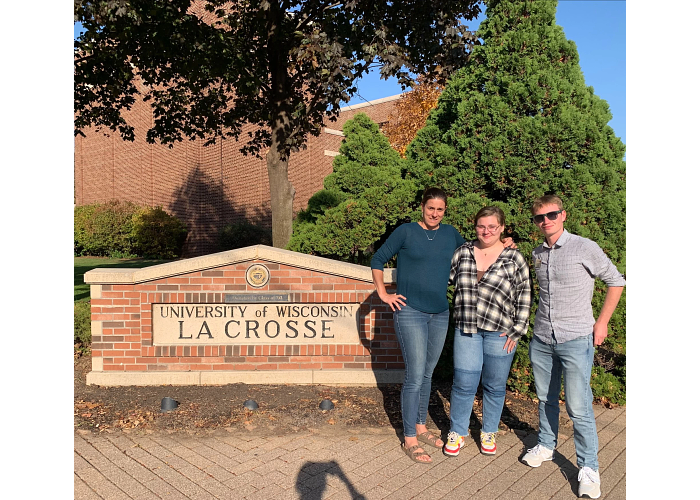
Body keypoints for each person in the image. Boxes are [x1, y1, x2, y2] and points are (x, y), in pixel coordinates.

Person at [521, 195, 625, 500]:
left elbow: (615, 281)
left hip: (576, 338)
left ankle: (589, 468)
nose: (546, 221)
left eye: (551, 215)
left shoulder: (584, 247)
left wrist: (602, 322)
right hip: (542, 337)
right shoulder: (537, 252)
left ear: (563, 215)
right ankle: (546, 445)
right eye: (539, 218)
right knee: (544, 398)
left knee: (578, 407)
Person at [370, 187, 466, 464]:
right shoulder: (406, 231)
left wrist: (502, 244)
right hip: (409, 311)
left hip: (440, 313)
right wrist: (383, 294)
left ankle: (422, 426)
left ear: (445, 210)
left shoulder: (450, 234)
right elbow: (377, 259)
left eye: (440, 209)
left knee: (427, 373)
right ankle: (409, 438)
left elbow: (475, 253)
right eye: (430, 208)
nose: (435, 213)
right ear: (422, 207)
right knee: (414, 375)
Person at [442, 206, 532, 458]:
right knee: (463, 384)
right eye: (482, 226)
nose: (487, 231)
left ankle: (489, 431)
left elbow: (524, 294)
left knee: (494, 386)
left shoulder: (514, 258)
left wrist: (518, 330)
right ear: (475, 226)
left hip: (500, 333)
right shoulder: (462, 253)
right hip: (467, 330)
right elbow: (444, 279)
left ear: (502, 227)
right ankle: (457, 432)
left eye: (493, 226)